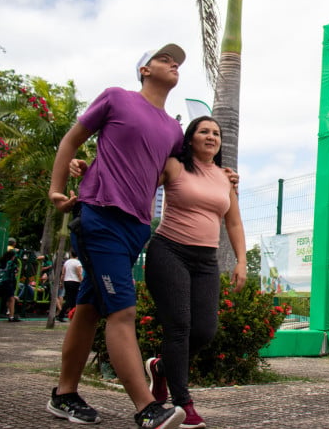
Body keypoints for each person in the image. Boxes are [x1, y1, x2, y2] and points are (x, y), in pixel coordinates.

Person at [46, 44, 189, 428]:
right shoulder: (116, 99)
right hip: (100, 217)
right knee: (122, 311)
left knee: (90, 310)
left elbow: (163, 171)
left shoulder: (173, 130)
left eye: (177, 61)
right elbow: (70, 140)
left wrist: (225, 177)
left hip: (136, 228)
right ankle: (146, 408)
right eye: (164, 58)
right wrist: (57, 189)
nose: (173, 63)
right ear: (144, 69)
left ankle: (65, 394)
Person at [142, 116, 247, 429]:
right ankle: (182, 404)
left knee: (204, 330)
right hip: (169, 251)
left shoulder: (225, 178)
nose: (211, 136)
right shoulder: (175, 166)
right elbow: (140, 183)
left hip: (206, 261)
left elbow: (234, 222)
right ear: (190, 138)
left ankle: (161, 368)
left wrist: (241, 260)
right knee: (180, 327)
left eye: (216, 133)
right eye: (204, 131)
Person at [57, 251, 82, 322]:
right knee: (71, 299)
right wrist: (82, 281)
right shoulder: (78, 263)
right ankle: (61, 315)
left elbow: (63, 273)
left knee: (71, 299)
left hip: (67, 281)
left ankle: (72, 315)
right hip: (75, 281)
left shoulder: (67, 262)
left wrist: (61, 282)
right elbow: (79, 273)